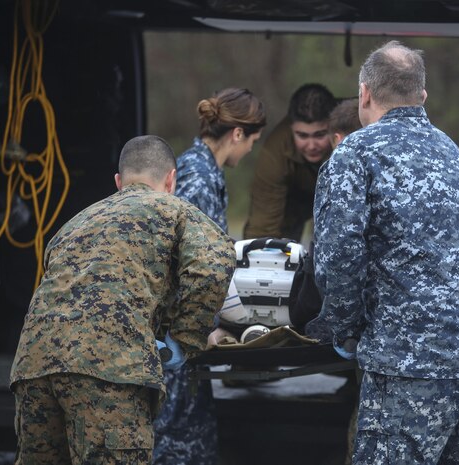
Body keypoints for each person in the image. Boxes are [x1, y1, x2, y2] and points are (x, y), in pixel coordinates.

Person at [313, 41, 459, 465]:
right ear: (422, 96)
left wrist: (340, 327)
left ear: (364, 93)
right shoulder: (453, 154)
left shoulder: (356, 152)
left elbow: (337, 257)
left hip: (411, 361)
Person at [10, 135, 235, 465]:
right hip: (108, 369)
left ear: (119, 181)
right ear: (171, 178)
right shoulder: (174, 209)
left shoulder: (75, 223)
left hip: (33, 367)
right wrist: (185, 338)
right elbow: (214, 266)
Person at [154, 88, 266, 465]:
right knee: (176, 447)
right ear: (237, 134)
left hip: (183, 337)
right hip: (175, 339)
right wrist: (204, 329)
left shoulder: (202, 172)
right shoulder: (198, 180)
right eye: (252, 140)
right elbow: (184, 267)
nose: (250, 150)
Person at [243, 83, 336, 241]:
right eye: (302, 136)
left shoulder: (355, 131)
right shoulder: (275, 151)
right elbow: (262, 225)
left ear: (334, 126)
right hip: (295, 196)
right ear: (291, 128)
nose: (312, 146)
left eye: (320, 135)